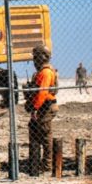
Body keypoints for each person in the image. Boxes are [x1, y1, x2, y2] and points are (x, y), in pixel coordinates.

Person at [26, 45, 58, 175]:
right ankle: (35, 164)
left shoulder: (46, 72)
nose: (34, 61)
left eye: (35, 58)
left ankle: (47, 165)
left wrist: (35, 108)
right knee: (35, 131)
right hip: (42, 107)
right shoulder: (41, 72)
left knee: (45, 137)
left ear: (41, 58)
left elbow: (42, 92)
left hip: (45, 107)